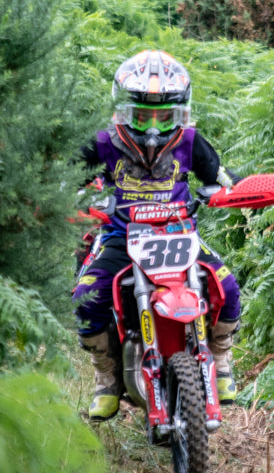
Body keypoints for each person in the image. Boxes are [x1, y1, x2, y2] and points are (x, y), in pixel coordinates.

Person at [73, 50, 242, 421]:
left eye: (164, 117)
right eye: (141, 115)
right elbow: (67, 179)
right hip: (121, 235)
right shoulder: (103, 142)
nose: (152, 128)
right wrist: (73, 199)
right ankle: (107, 379)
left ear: (180, 113)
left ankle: (221, 359)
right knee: (87, 297)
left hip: (179, 234)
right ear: (121, 110)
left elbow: (220, 178)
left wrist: (240, 191)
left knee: (227, 287)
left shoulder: (189, 140)